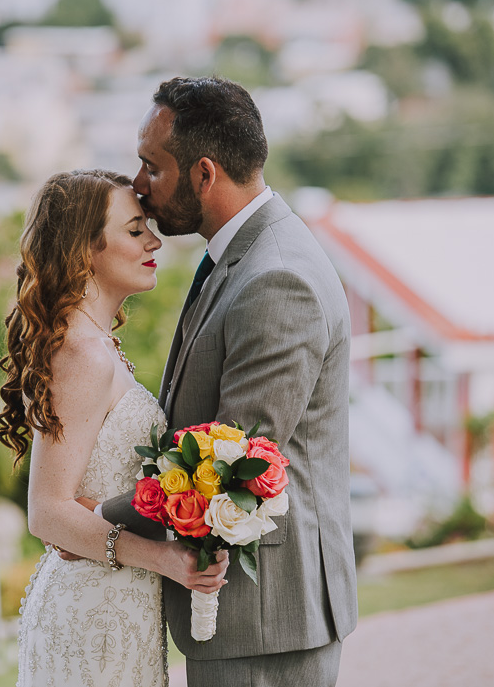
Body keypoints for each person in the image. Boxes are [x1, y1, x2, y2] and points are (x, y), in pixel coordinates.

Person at [91, 76, 359, 686]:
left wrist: (90, 520)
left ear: (204, 173)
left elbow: (230, 466)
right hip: (245, 618)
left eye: (151, 167)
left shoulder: (277, 279)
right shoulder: (237, 254)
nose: (137, 185)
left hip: (266, 620)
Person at [0, 168, 229, 687]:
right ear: (85, 250)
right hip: (94, 618)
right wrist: (165, 558)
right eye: (134, 229)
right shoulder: (80, 352)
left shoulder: (96, 343)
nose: (154, 240)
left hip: (118, 603)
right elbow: (48, 511)